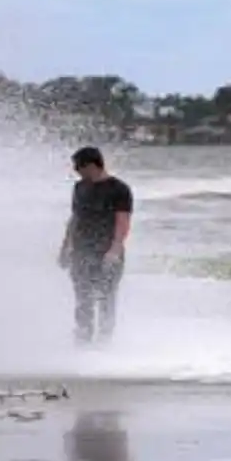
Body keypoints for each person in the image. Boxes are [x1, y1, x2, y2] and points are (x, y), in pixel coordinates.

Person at [58, 146, 134, 346]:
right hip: (81, 250)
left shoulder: (119, 189)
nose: (76, 171)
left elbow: (123, 221)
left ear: (92, 165)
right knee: (83, 298)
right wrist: (65, 247)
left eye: (78, 167)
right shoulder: (80, 188)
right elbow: (75, 219)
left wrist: (115, 249)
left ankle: (104, 342)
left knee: (106, 298)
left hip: (107, 251)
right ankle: (83, 340)